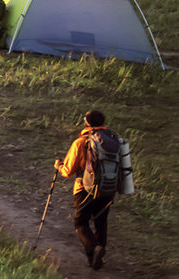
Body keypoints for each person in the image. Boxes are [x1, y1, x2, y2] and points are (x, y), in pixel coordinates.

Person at [54, 110, 128, 270]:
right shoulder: (112, 141)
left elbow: (68, 171)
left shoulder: (81, 142)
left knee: (81, 223)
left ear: (86, 122)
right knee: (101, 221)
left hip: (85, 189)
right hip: (108, 189)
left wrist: (59, 166)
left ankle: (94, 250)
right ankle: (96, 260)